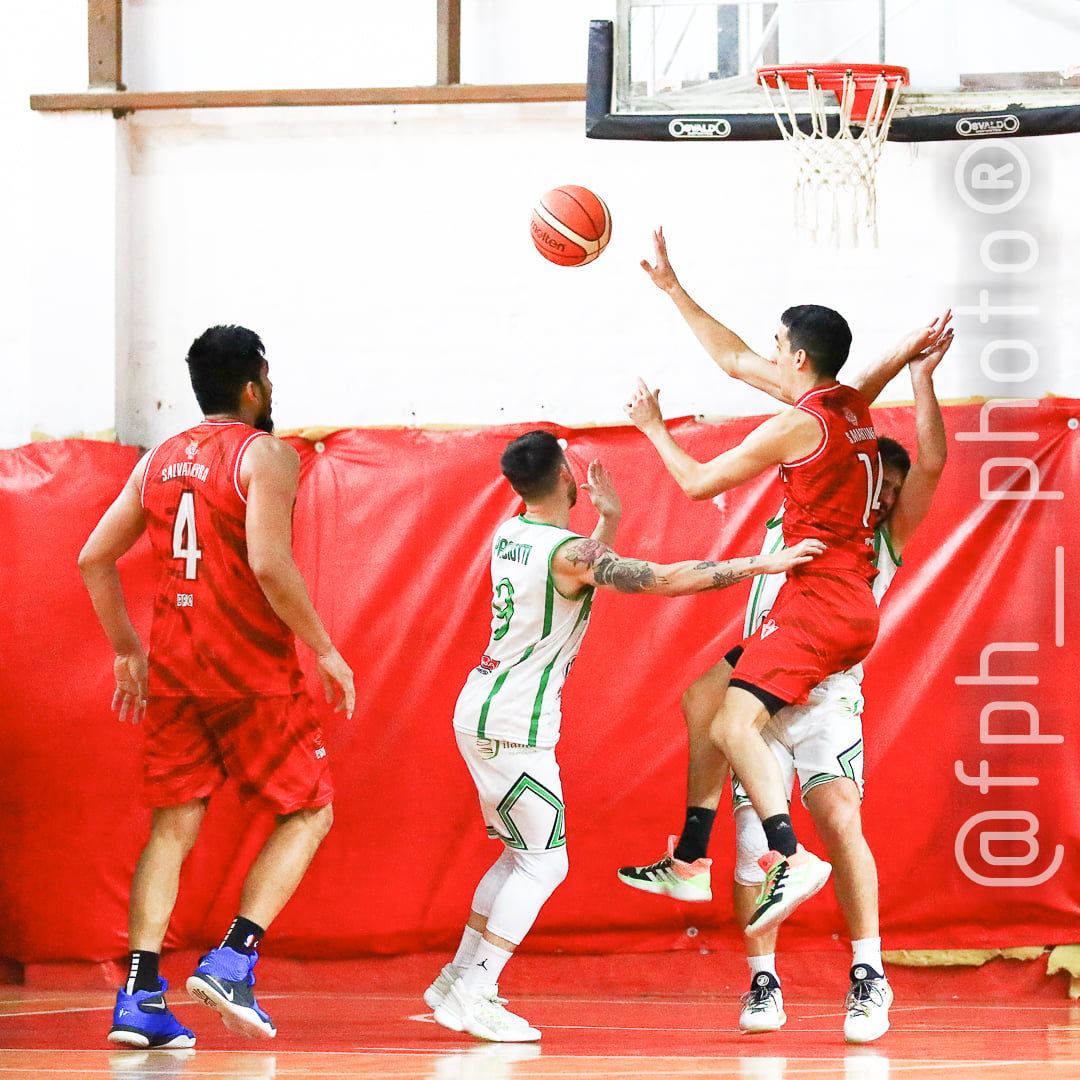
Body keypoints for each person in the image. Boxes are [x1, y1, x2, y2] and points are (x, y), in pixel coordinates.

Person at [425, 429, 825, 1043]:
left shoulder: (513, 534)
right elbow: (656, 579)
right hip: (515, 725)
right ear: (565, 479)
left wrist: (609, 518)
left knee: (518, 855)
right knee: (542, 865)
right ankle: (477, 992)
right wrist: (758, 564)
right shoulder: (565, 552)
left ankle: (456, 979)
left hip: (480, 709)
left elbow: (581, 569)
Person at [618, 228, 952, 936]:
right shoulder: (849, 405)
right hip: (827, 599)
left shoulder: (796, 428)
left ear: (798, 358)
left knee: (732, 722)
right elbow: (736, 359)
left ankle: (789, 855)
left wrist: (651, 428)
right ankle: (688, 858)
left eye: (779, 344)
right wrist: (674, 290)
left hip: (820, 606)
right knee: (703, 695)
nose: (768, 351)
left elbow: (698, 482)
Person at [79, 325, 355, 1049]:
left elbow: (92, 558)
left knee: (171, 827)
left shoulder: (158, 461)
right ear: (255, 383)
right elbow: (268, 563)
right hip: (250, 673)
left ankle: (139, 997)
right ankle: (233, 958)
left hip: (174, 669)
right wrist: (324, 648)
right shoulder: (266, 454)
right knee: (310, 813)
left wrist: (125, 652)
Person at [731, 332, 948, 1044]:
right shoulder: (801, 504)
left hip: (825, 701)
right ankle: (763, 979)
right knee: (748, 846)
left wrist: (921, 378)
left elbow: (933, 462)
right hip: (766, 690)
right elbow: (818, 406)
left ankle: (868, 973)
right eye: (872, 483)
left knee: (841, 823)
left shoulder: (884, 541)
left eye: (887, 489)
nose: (879, 496)